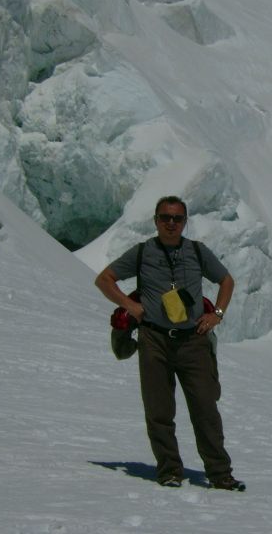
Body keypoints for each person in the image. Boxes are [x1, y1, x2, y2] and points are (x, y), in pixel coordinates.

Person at [94, 195, 245, 491]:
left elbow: (226, 281)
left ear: (185, 221)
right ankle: (169, 471)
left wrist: (217, 314)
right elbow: (105, 279)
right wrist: (129, 305)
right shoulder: (142, 253)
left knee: (205, 408)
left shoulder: (198, 252)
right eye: (165, 218)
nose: (171, 223)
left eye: (177, 218)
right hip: (154, 340)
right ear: (156, 221)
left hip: (193, 341)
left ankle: (220, 474)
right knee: (159, 411)